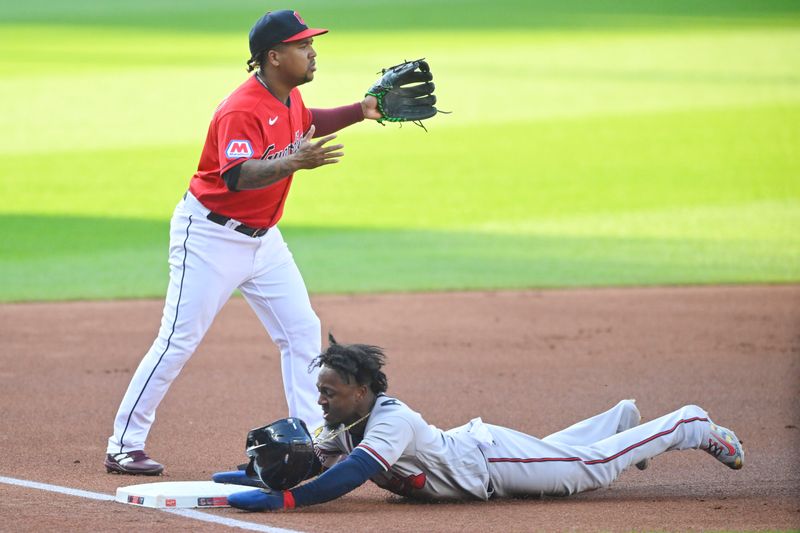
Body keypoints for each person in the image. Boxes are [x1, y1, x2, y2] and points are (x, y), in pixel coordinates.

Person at [104, 9, 385, 475]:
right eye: (302, 46)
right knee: (178, 339)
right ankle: (123, 444)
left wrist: (361, 110)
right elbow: (237, 175)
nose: (312, 51)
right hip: (211, 236)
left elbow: (306, 120)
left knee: (300, 330)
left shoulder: (289, 97)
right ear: (273, 57)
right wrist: (294, 162)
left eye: (311, 43)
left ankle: (317, 441)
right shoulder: (242, 107)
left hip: (264, 241)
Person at [215, 336, 745, 511]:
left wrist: (285, 503)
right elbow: (314, 460)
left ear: (361, 391)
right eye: (320, 393)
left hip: (490, 461)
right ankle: (618, 423)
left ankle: (686, 424)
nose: (321, 401)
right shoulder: (348, 425)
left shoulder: (389, 422)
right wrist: (251, 475)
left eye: (329, 392)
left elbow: (349, 475)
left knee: (591, 471)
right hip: (483, 450)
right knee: (562, 455)